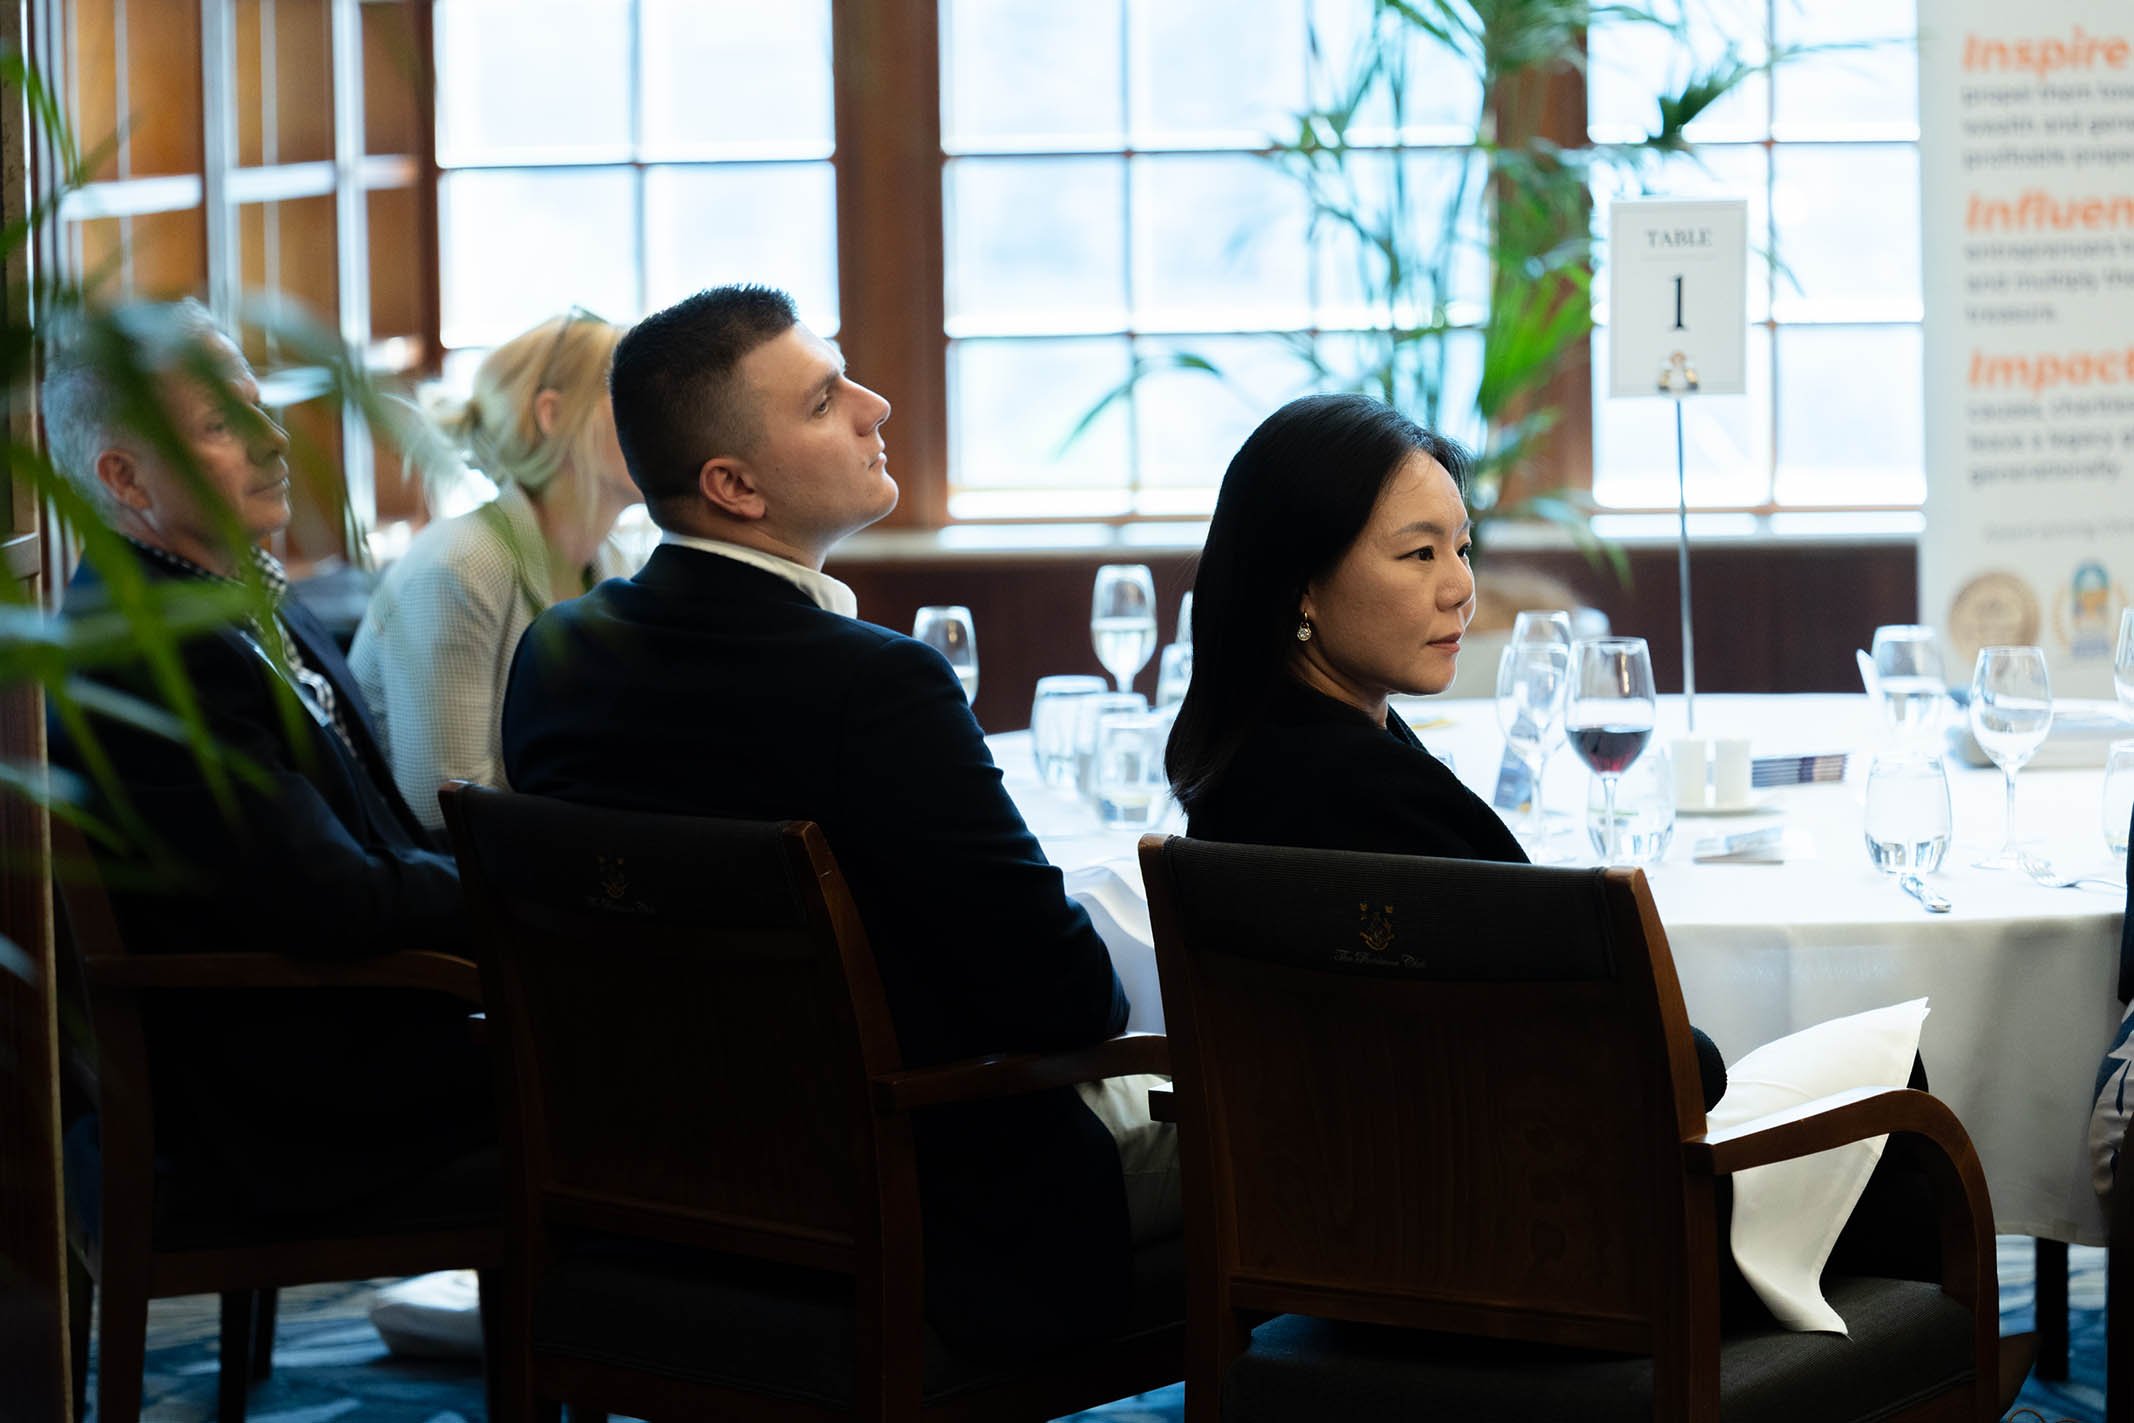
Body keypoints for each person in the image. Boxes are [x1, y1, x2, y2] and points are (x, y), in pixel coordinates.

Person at [500, 284, 1176, 1350]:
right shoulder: (874, 688)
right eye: (823, 402)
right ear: (733, 484)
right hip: (918, 1200)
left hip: (646, 1197)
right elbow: (1064, 997)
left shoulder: (559, 655)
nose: (875, 406)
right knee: (1296, 1138)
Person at [41, 298, 489, 1220]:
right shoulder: (142, 652)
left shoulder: (232, 588)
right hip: (281, 1082)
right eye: (219, 422)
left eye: (259, 405)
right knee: (630, 1068)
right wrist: (510, 887)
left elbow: (369, 829)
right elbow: (328, 897)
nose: (272, 440)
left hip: (351, 1015)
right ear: (124, 477)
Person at [349, 310, 641, 832]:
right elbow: (441, 809)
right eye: (630, 394)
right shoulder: (459, 565)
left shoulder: (614, 560)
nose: (660, 418)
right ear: (551, 414)